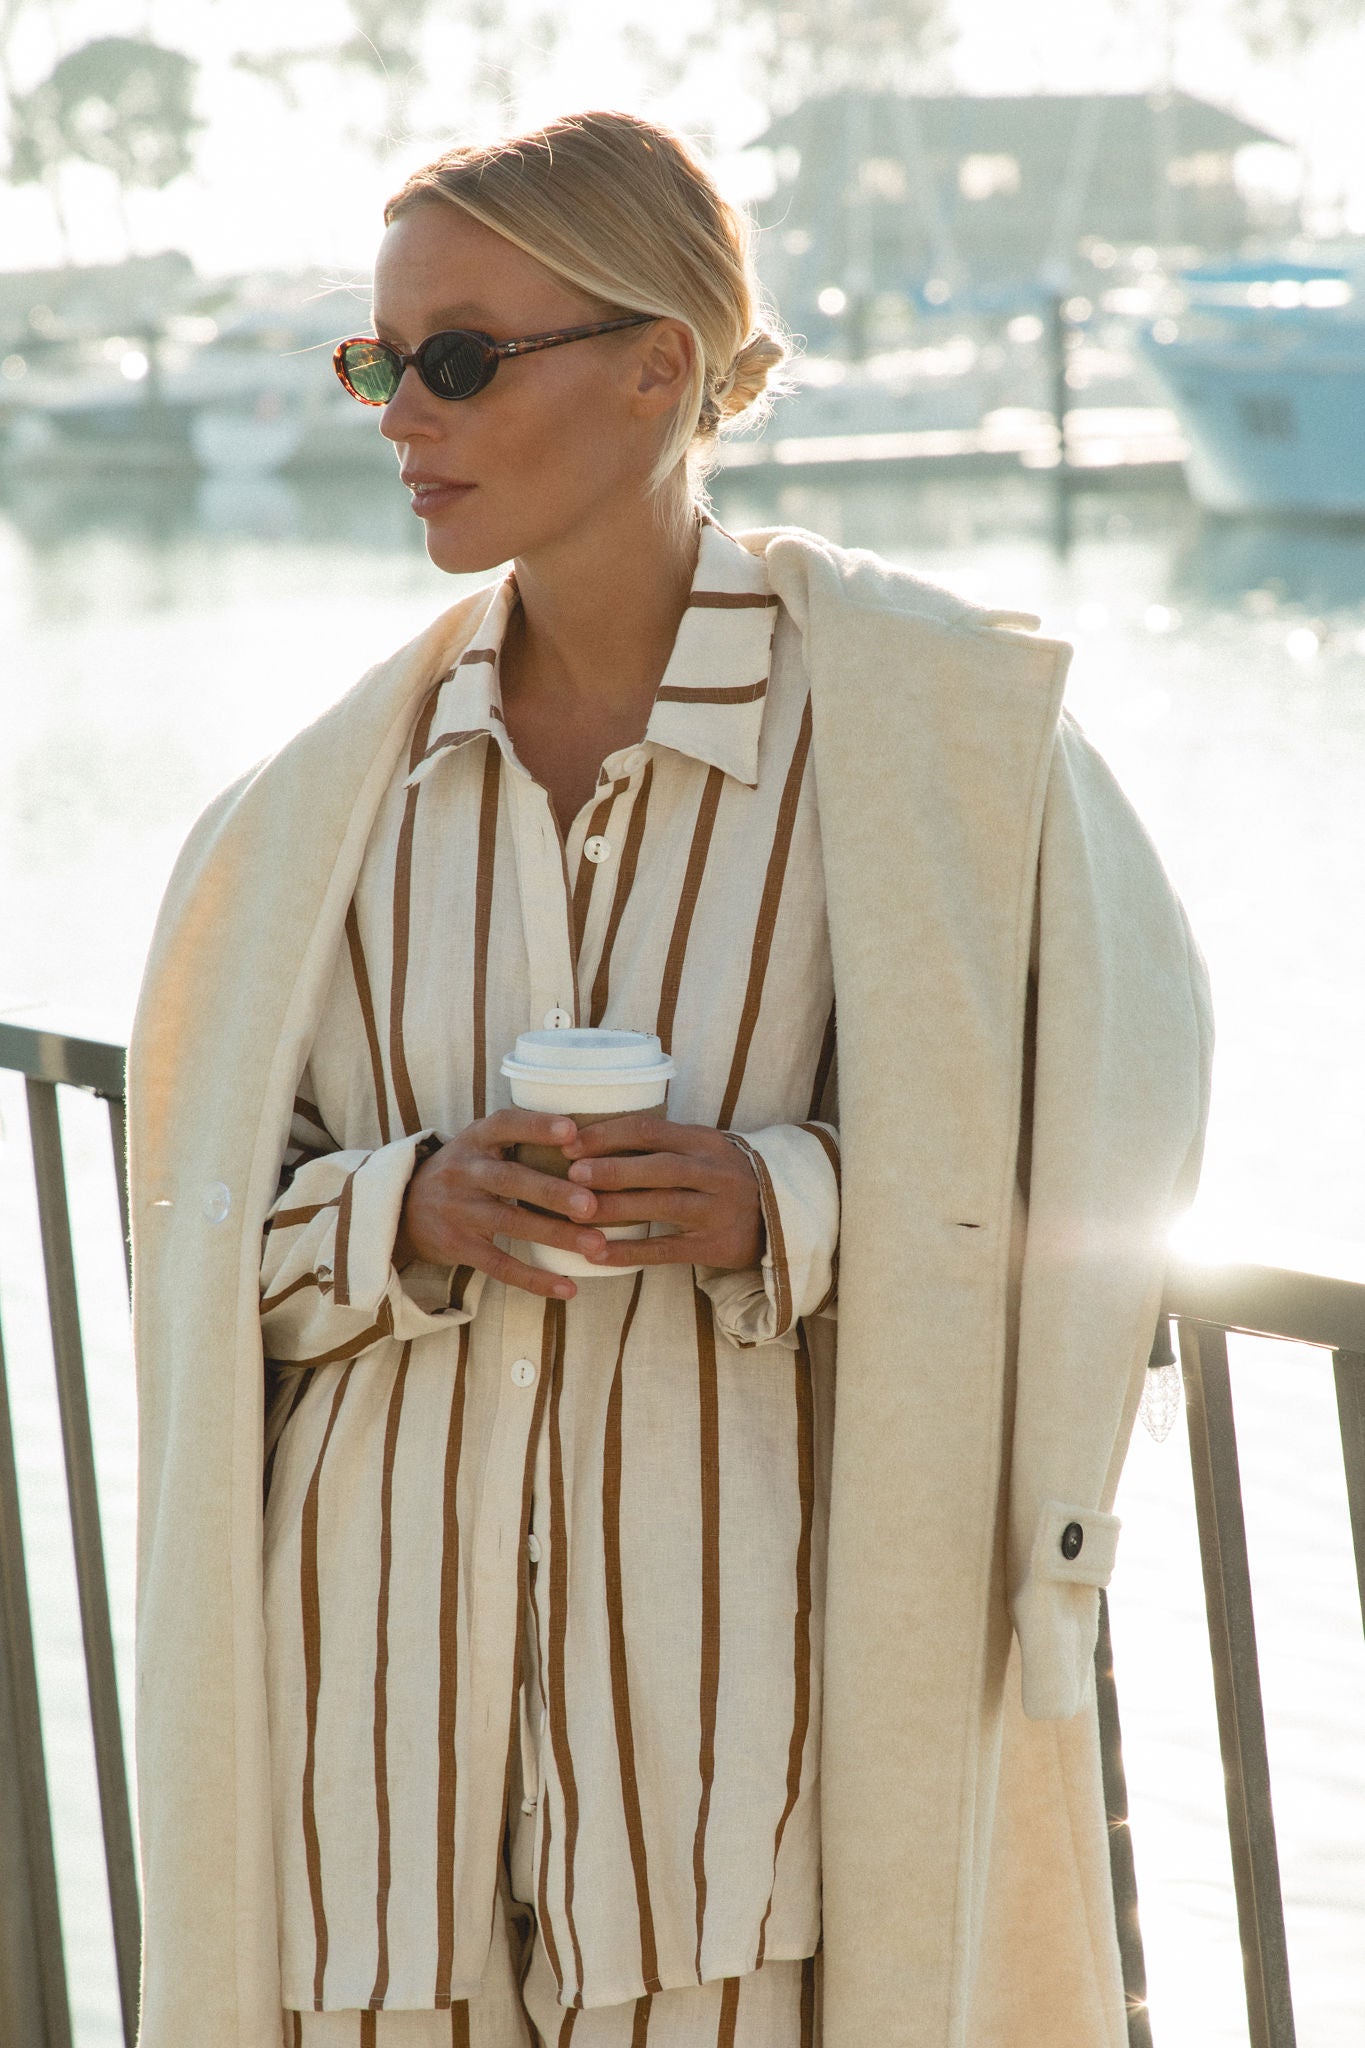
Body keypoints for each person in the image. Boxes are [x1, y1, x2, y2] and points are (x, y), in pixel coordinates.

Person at [126, 112, 1213, 2048]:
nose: (403, 414)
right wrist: (401, 1209)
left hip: (731, 1774)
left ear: (659, 367)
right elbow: (200, 1244)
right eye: (378, 361)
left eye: (460, 357)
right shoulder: (320, 805)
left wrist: (785, 1202)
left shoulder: (939, 750)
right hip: (361, 1761)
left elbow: (1103, 1174)